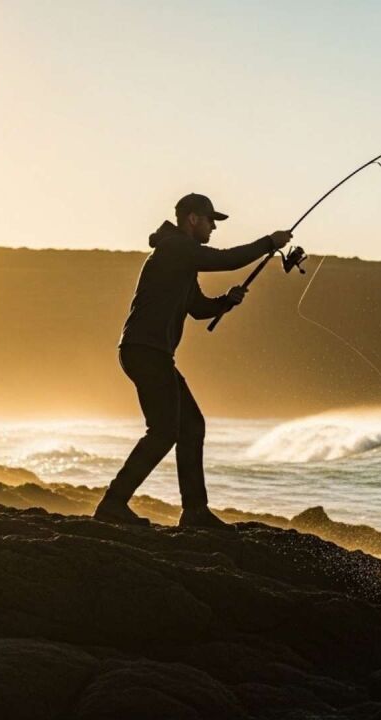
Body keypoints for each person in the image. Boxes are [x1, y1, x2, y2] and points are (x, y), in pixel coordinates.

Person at [95, 193, 292, 528]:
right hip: (145, 350)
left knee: (191, 426)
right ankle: (113, 504)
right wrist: (268, 243)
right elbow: (228, 260)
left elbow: (198, 308)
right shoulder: (175, 248)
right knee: (163, 431)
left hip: (150, 352)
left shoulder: (181, 257)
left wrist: (225, 302)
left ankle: (194, 512)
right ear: (192, 219)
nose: (214, 227)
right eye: (210, 220)